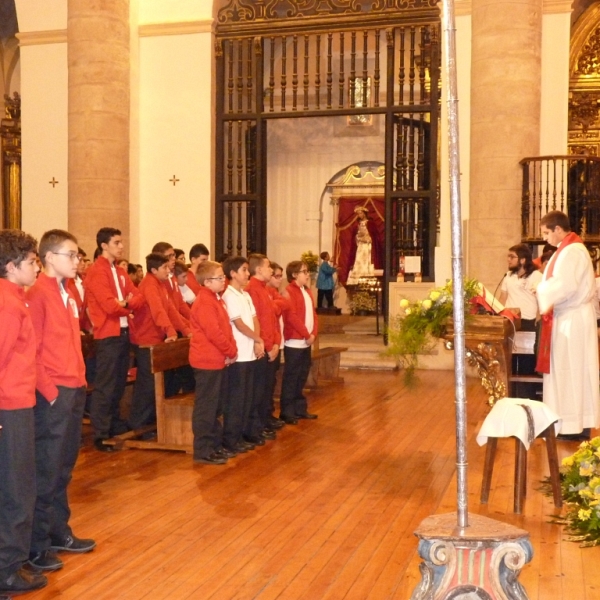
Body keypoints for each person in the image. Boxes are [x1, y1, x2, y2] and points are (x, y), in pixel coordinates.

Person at [26, 230, 96, 573]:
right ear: (49, 258)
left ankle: (58, 531)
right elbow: (32, 351)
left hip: (73, 387)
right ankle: (35, 545)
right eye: (71, 255)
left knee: (63, 468)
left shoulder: (67, 291)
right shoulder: (38, 294)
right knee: (46, 469)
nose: (77, 261)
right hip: (53, 393)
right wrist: (51, 392)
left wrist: (79, 381)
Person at [0, 230, 47, 594]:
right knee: (17, 490)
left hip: (18, 404)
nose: (37, 267)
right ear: (13, 266)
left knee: (18, 487)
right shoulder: (7, 305)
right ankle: (5, 572)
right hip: (9, 407)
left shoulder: (15, 299)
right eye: (32, 261)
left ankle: (11, 564)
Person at [536, 210, 600, 441]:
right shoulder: (564, 250)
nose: (545, 238)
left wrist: (542, 291)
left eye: (546, 232)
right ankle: (565, 423)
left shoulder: (572, 251)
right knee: (565, 371)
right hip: (567, 318)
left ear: (558, 229)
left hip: (573, 321)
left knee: (573, 370)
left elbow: (565, 285)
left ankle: (574, 426)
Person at [84, 227, 145, 451]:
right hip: (108, 334)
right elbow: (109, 306)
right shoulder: (97, 272)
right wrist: (125, 304)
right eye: (117, 242)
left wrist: (126, 304)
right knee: (106, 385)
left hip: (124, 331)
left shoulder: (119, 271)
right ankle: (100, 433)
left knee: (119, 382)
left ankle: (114, 423)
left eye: (121, 242)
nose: (121, 246)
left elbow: (139, 296)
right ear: (104, 246)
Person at [128, 253, 191, 431]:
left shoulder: (161, 285)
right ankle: (137, 425)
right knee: (147, 386)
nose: (168, 270)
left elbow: (171, 310)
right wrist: (171, 331)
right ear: (154, 269)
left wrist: (186, 330)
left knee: (163, 382)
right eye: (164, 267)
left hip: (157, 340)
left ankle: (154, 422)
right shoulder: (149, 285)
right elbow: (158, 312)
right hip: (146, 340)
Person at [189, 261, 238, 465]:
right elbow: (214, 333)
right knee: (207, 408)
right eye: (219, 277)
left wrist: (231, 349)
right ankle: (203, 450)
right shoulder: (205, 301)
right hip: (207, 360)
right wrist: (230, 350)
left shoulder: (216, 299)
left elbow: (226, 328)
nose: (224, 280)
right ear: (207, 282)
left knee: (217, 406)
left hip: (219, 359)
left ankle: (215, 445)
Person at [221, 256, 264, 454]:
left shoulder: (245, 295)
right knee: (236, 400)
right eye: (244, 270)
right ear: (233, 274)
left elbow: (254, 318)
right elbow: (238, 324)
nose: (248, 273)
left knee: (248, 397)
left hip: (250, 353)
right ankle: (231, 439)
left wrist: (257, 339)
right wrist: (257, 339)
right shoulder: (229, 295)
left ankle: (242, 435)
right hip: (238, 356)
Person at [245, 254, 280, 443]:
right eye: (268, 266)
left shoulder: (264, 289)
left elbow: (272, 320)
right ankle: (254, 428)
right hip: (260, 348)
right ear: (258, 269)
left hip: (269, 346)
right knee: (257, 391)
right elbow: (256, 322)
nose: (271, 270)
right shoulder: (252, 290)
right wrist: (267, 345)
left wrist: (275, 343)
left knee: (265, 390)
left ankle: (261, 424)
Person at [280, 260, 318, 423]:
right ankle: (287, 411)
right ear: (294, 275)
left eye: (307, 271)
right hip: (295, 341)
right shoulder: (289, 291)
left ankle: (299, 408)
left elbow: (313, 315)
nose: (307, 274)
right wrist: (305, 334)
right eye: (304, 271)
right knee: (291, 377)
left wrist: (313, 333)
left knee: (302, 375)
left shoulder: (307, 291)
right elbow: (291, 317)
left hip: (307, 340)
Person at [498, 244, 541, 332]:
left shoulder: (537, 276)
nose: (508, 260)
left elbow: (541, 301)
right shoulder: (508, 275)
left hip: (528, 321)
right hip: (509, 320)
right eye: (508, 256)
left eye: (512, 257)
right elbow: (503, 297)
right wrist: (497, 316)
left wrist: (538, 319)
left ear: (522, 260)